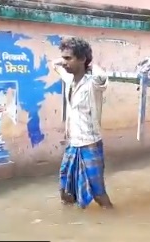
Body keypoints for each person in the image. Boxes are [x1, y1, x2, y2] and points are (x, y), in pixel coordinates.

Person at [51, 37, 113, 209]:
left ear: (82, 59)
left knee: (99, 194)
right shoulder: (70, 80)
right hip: (73, 144)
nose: (64, 62)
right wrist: (63, 60)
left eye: (68, 58)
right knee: (65, 192)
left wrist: (89, 64)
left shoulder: (93, 83)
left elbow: (101, 76)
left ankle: (112, 220)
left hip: (89, 144)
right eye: (64, 58)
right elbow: (54, 64)